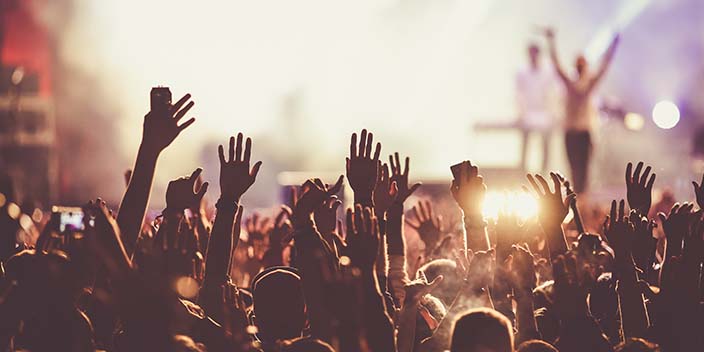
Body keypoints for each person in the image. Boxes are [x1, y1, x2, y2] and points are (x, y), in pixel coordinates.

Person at [545, 28, 619, 193]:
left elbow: (604, 66)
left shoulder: (588, 84)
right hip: (571, 131)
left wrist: (613, 47)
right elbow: (556, 66)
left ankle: (582, 200)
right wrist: (551, 43)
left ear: (584, 66)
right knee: (573, 168)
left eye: (581, 63)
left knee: (583, 170)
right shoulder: (570, 84)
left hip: (583, 132)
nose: (579, 66)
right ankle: (578, 199)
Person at [516, 43, 559, 172]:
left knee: (545, 146)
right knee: (525, 145)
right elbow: (519, 94)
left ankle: (544, 172)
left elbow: (553, 92)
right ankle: (522, 172)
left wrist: (553, 113)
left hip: (545, 115)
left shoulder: (547, 72)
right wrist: (521, 113)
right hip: (527, 114)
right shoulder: (522, 72)